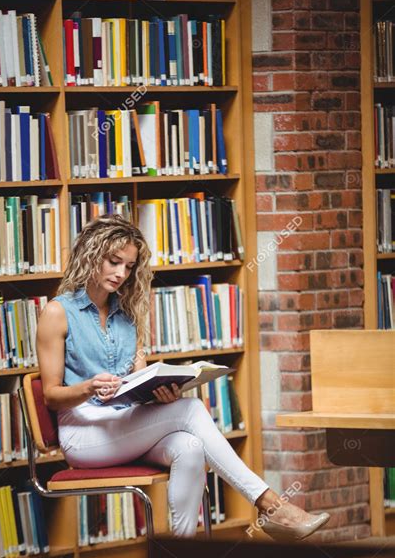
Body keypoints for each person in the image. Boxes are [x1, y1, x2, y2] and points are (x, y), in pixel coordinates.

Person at [36, 215, 330, 541]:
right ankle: (271, 505)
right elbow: (50, 394)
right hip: (85, 435)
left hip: (124, 427)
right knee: (190, 412)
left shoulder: (128, 315)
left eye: (129, 266)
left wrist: (160, 393)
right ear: (92, 255)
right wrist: (87, 386)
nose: (121, 273)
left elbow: (137, 383)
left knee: (189, 446)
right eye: (113, 261)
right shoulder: (57, 313)